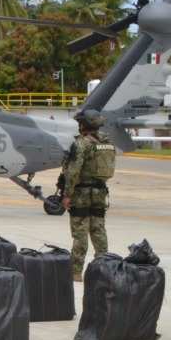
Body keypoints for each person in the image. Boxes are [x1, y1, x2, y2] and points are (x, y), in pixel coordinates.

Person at [60, 108, 116, 282]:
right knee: (99, 231)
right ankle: (105, 268)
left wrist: (67, 194)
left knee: (80, 233)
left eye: (80, 122)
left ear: (85, 124)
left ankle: (76, 272)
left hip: (81, 194)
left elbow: (73, 171)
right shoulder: (106, 141)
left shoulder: (81, 144)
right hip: (100, 192)